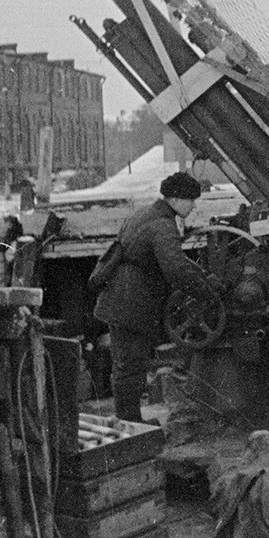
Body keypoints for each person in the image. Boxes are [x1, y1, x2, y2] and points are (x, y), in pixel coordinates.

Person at [94, 171, 210, 423]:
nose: (193, 206)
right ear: (176, 199)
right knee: (130, 365)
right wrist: (205, 292)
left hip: (120, 297)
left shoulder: (146, 214)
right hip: (130, 302)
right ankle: (130, 423)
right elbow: (175, 268)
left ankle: (129, 420)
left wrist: (200, 274)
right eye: (191, 200)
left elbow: (177, 260)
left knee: (125, 363)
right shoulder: (163, 225)